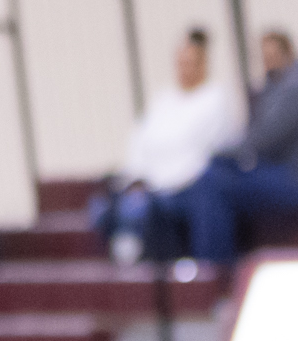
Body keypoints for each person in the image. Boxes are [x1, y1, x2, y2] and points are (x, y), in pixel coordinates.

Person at [154, 29, 298, 262]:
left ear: (289, 54)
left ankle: (213, 274)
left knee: (213, 180)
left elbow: (262, 141)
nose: (268, 62)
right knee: (210, 181)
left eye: (273, 55)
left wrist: (219, 156)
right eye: (264, 56)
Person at [89, 29, 242, 261]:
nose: (185, 69)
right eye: (181, 63)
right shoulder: (163, 100)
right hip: (152, 184)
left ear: (203, 65)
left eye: (191, 63)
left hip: (188, 185)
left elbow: (207, 148)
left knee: (140, 210)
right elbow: (140, 141)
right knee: (103, 209)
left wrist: (163, 180)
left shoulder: (216, 98)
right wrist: (137, 178)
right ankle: (126, 271)